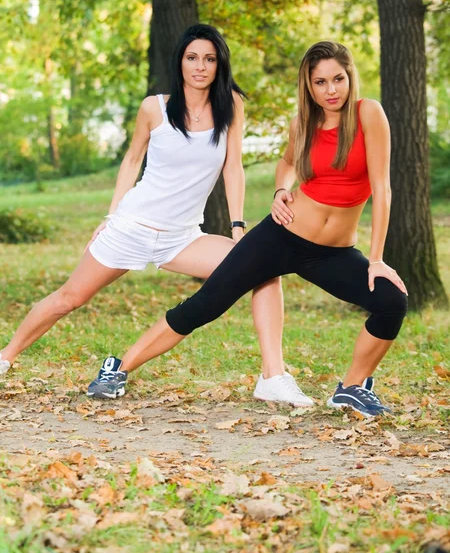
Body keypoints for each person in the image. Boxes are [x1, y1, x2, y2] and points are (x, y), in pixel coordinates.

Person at [88, 40, 408, 418]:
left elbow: (383, 188)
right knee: (206, 304)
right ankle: (118, 369)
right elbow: (287, 163)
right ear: (308, 85)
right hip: (281, 236)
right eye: (320, 82)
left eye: (338, 79)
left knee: (390, 301)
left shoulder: (368, 113)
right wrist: (280, 190)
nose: (331, 90)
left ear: (350, 77)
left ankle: (351, 388)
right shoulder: (303, 124)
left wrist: (376, 260)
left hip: (333, 252)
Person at [0, 24, 312, 408]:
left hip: (182, 237)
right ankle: (5, 357)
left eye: (209, 59)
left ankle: (273, 376)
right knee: (69, 298)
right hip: (132, 226)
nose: (200, 67)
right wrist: (111, 216)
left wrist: (236, 229)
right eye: (192, 57)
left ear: (220, 65)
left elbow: (234, 168)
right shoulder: (155, 108)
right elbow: (132, 160)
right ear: (179, 61)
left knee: (264, 267)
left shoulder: (231, 105)